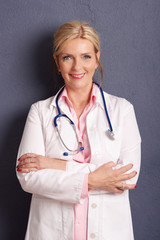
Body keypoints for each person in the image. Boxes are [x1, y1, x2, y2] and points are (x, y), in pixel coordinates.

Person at [16, 20, 141, 240]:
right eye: (67, 57)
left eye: (85, 56)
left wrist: (54, 165)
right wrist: (92, 180)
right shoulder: (40, 112)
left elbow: (127, 178)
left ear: (97, 59)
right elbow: (29, 178)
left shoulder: (122, 110)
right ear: (57, 62)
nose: (77, 67)